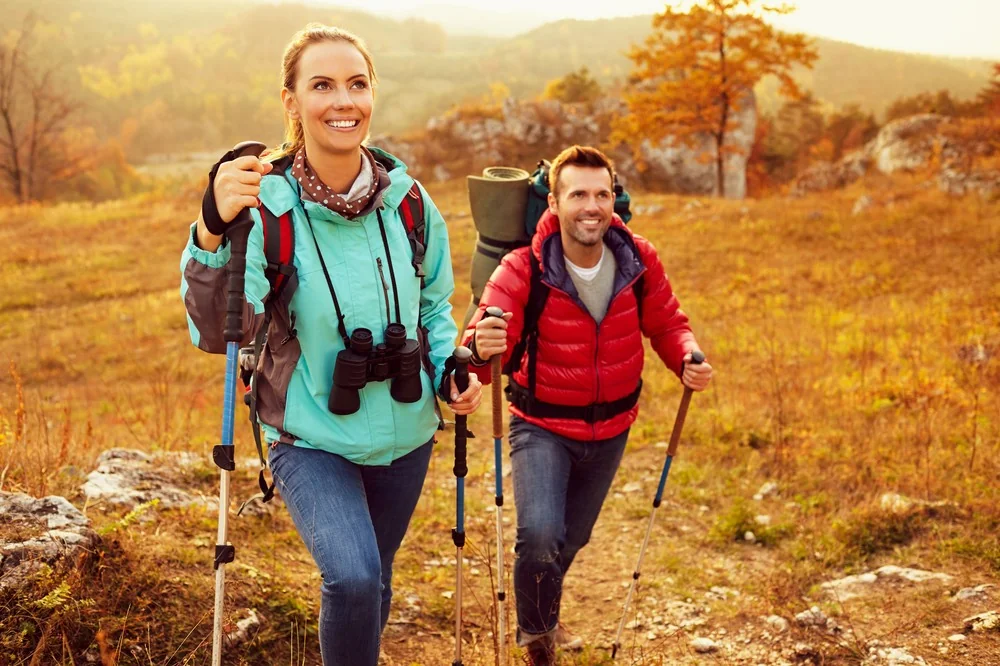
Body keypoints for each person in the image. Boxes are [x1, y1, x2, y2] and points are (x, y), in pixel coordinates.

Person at [179, 24, 482, 665]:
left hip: (408, 433)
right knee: (353, 577)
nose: (343, 101)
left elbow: (433, 306)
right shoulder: (267, 208)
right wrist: (210, 228)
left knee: (377, 575)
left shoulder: (411, 202)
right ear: (291, 102)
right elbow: (219, 332)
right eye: (321, 85)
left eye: (356, 84)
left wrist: (449, 365)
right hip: (311, 436)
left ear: (373, 94)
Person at [463, 145, 713, 664]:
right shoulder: (522, 266)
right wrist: (479, 351)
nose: (592, 206)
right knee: (538, 536)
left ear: (614, 200)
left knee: (570, 539)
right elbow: (487, 335)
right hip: (541, 425)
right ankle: (537, 640)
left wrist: (686, 355)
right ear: (554, 203)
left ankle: (544, 612)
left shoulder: (637, 257)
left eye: (602, 194)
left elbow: (667, 322)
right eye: (578, 194)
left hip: (612, 427)